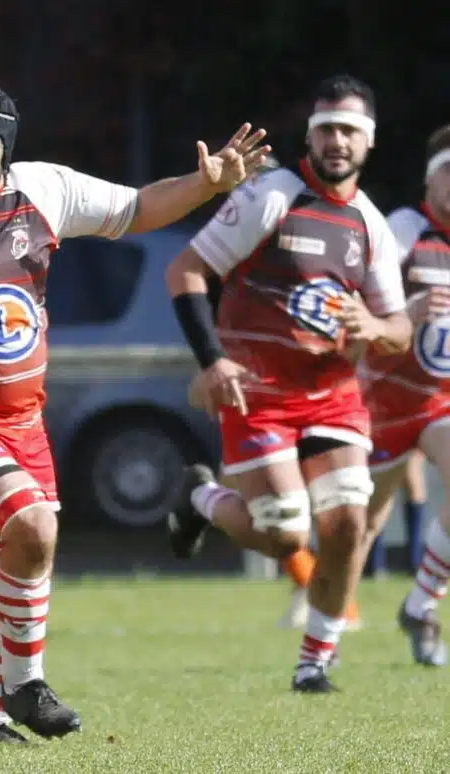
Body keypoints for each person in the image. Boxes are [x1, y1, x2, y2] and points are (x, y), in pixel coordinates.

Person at [0, 81, 268, 742]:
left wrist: (205, 184)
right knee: (30, 526)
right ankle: (25, 683)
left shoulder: (43, 190)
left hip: (21, 415)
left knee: (23, 552)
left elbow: (138, 207)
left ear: (6, 151)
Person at [166, 75, 410, 694]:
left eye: (349, 130)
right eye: (326, 129)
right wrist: (212, 362)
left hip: (331, 393)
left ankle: (315, 662)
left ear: (370, 141)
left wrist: (375, 325)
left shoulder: (371, 224)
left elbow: (400, 329)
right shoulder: (272, 195)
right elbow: (186, 270)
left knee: (347, 522)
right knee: (284, 535)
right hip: (257, 391)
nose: (336, 141)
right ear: (310, 136)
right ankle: (200, 498)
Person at [355, 123, 450, 667]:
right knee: (360, 526)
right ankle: (322, 639)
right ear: (429, 179)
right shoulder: (405, 229)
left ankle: (420, 606)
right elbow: (362, 299)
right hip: (383, 401)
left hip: (439, 402)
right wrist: (407, 313)